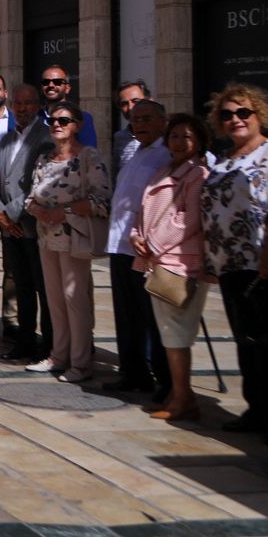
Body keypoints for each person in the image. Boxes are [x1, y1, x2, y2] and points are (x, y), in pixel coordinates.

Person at [203, 83, 268, 444]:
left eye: (244, 112)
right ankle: (255, 409)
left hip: (263, 265)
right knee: (246, 342)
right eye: (227, 114)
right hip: (230, 263)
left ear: (259, 115)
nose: (235, 119)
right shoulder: (225, 159)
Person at [131, 113, 212, 423]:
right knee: (169, 334)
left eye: (187, 137)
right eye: (175, 136)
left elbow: (189, 220)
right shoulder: (165, 169)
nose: (180, 142)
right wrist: (136, 235)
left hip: (180, 262)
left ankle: (182, 399)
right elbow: (144, 210)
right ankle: (181, 395)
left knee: (177, 334)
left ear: (200, 141)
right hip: (158, 259)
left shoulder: (198, 175)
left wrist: (153, 242)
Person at [23, 100, 110, 382]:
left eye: (64, 121)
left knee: (76, 299)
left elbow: (102, 200)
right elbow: (31, 196)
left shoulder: (89, 157)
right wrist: (36, 209)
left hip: (75, 239)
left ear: (77, 125)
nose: (57, 126)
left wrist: (66, 211)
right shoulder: (45, 159)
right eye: (53, 121)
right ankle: (58, 355)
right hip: (47, 238)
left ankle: (81, 362)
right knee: (55, 300)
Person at [103, 100, 171, 396]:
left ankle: (163, 379)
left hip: (144, 250)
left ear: (162, 121)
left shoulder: (166, 154)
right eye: (134, 120)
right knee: (126, 315)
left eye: (146, 118)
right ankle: (133, 373)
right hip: (120, 245)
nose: (139, 124)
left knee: (151, 320)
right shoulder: (135, 152)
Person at [0, 85, 52, 363]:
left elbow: (41, 185)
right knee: (22, 289)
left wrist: (11, 214)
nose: (23, 108)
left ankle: (49, 345)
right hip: (9, 228)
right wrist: (0, 213)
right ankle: (24, 342)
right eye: (18, 103)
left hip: (32, 226)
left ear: (38, 105)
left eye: (29, 103)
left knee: (44, 289)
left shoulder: (46, 137)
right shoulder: (5, 139)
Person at [37, 67, 98, 147]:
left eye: (57, 82)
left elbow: (89, 152)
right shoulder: (34, 117)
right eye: (46, 82)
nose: (51, 85)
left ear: (67, 88)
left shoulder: (81, 117)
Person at [113, 80, 151, 172]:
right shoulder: (120, 138)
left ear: (148, 101)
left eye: (135, 101)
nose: (130, 107)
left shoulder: (161, 136)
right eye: (124, 104)